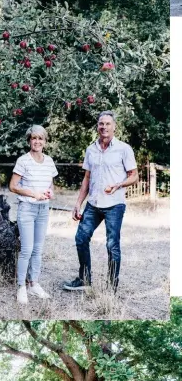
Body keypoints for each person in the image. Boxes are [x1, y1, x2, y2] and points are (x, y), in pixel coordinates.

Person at [63, 111, 138, 293]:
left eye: (107, 124)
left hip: (114, 204)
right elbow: (87, 178)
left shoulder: (124, 149)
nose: (103, 127)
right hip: (93, 204)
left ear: (114, 127)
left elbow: (134, 176)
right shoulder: (91, 149)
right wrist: (78, 203)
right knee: (81, 238)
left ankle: (111, 288)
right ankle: (84, 279)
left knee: (112, 245)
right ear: (97, 127)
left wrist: (118, 184)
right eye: (100, 124)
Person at [9, 125, 58, 306]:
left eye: (40, 138)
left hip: (43, 210)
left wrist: (50, 193)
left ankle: (34, 284)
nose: (37, 142)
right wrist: (32, 193)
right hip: (27, 210)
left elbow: (50, 185)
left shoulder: (49, 161)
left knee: (38, 249)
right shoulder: (23, 161)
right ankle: (21, 286)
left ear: (45, 141)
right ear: (29, 140)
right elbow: (13, 186)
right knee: (27, 249)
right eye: (33, 138)